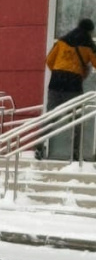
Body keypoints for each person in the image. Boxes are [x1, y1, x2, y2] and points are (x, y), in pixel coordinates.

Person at [45, 18, 96, 161]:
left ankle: (40, 145)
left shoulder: (62, 41)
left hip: (55, 83)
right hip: (73, 86)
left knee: (50, 116)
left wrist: (59, 72)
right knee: (76, 119)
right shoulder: (89, 45)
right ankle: (75, 153)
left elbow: (49, 60)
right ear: (90, 31)